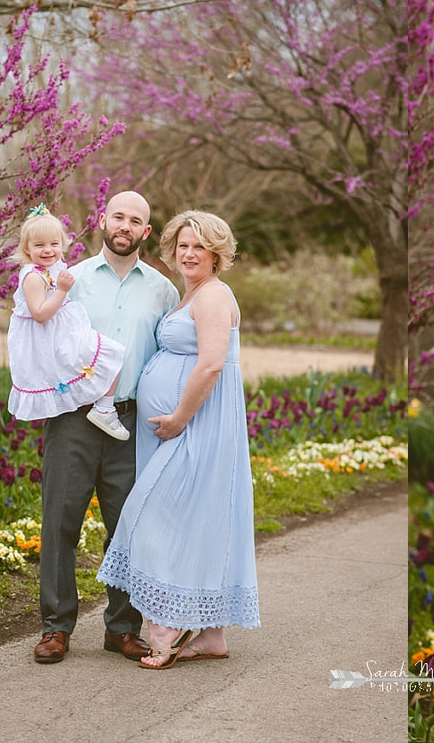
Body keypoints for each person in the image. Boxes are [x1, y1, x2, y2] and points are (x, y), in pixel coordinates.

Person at [97, 210, 260, 670]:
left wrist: (179, 418)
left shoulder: (213, 295)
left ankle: (166, 632)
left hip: (195, 427)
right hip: (180, 429)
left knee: (153, 516)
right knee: (194, 519)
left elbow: (211, 364)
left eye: (199, 247)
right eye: (183, 245)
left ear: (216, 254)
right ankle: (211, 636)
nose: (189, 253)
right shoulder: (189, 294)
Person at [33, 191, 180, 665]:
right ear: (102, 220)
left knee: (129, 526)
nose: (125, 225)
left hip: (131, 421)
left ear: (146, 232)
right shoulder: (68, 279)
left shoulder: (163, 290)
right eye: (118, 215)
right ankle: (56, 628)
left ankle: (121, 628)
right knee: (60, 522)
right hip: (72, 418)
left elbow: (169, 356)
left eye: (136, 220)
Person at [7, 205, 130, 440]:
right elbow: (40, 314)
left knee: (109, 356)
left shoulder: (50, 269)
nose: (48, 250)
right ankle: (104, 408)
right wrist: (62, 290)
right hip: (50, 339)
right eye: (39, 245)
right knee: (112, 353)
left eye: (54, 244)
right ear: (27, 248)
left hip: (60, 333)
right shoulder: (33, 276)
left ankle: (102, 406)